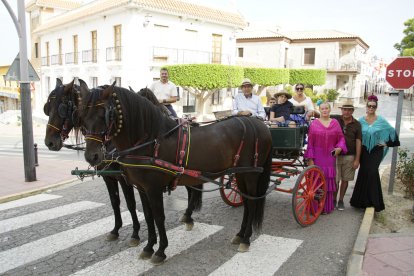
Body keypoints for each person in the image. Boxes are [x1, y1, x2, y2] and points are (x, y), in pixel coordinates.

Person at [350, 95, 400, 212]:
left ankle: (374, 201)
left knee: (372, 172)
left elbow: (392, 133)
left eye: (373, 106)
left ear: (376, 107)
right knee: (363, 172)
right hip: (363, 151)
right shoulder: (360, 121)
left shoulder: (381, 120)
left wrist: (387, 143)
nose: (371, 108)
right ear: (366, 106)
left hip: (376, 150)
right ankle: (360, 201)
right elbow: (355, 135)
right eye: (369, 106)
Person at [304, 102, 347, 214]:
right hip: (317, 157)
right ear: (319, 110)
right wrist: (310, 159)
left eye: (326, 108)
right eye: (322, 109)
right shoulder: (314, 124)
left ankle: (324, 207)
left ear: (330, 109)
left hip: (329, 157)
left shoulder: (335, 123)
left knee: (327, 182)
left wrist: (339, 148)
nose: (324, 110)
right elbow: (310, 144)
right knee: (316, 182)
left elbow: (341, 139)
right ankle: (315, 207)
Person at [331, 102, 362, 211]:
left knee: (345, 180)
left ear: (352, 111)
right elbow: (322, 116)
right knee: (335, 179)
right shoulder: (335, 119)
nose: (346, 112)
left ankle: (341, 200)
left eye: (349, 110)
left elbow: (358, 142)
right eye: (345, 109)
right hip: (336, 155)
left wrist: (357, 159)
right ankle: (333, 199)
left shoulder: (357, 124)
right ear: (341, 110)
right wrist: (313, 112)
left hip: (350, 156)